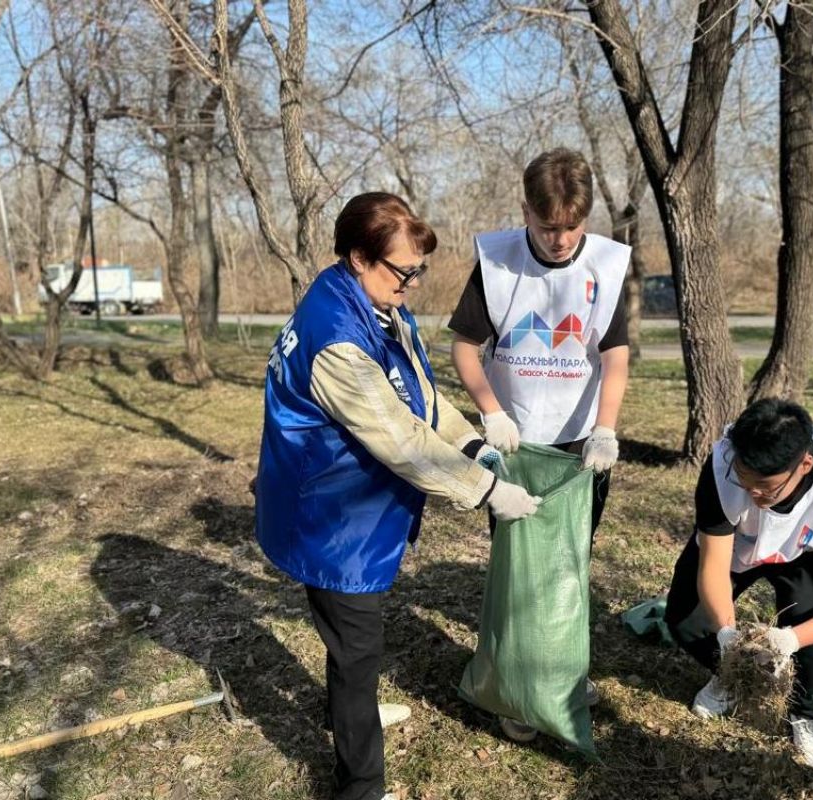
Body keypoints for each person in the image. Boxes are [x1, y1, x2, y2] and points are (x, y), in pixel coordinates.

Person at [254, 192, 541, 800]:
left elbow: (418, 394)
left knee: (349, 645)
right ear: (359, 257)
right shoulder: (335, 338)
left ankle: (345, 716)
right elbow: (400, 441)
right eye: (402, 270)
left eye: (418, 271)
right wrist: (487, 490)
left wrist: (471, 445)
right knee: (358, 647)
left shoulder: (377, 304)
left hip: (349, 504)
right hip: (327, 515)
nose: (411, 283)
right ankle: (361, 785)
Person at [448, 147, 631, 742]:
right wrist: (491, 413)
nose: (559, 239)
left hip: (580, 445)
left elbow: (615, 354)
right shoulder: (498, 262)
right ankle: (518, 685)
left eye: (571, 227)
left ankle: (560, 671)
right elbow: (463, 348)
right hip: (518, 440)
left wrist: (605, 427)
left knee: (572, 560)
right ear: (525, 209)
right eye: (547, 226)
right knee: (520, 564)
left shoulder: (604, 265)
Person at [662, 399, 813, 776]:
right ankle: (729, 676)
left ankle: (809, 715)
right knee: (686, 617)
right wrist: (728, 635)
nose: (752, 493)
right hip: (741, 543)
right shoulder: (722, 465)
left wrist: (793, 639)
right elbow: (714, 565)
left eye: (765, 486)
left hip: (809, 549)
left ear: (804, 465)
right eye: (743, 479)